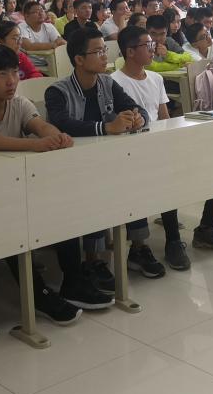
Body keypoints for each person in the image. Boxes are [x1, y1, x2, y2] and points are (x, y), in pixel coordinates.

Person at [0, 44, 112, 317]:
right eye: (2, 74)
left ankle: (72, 282)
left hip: (16, 186)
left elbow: (41, 126)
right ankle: (38, 294)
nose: (11, 81)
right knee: (12, 220)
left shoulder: (20, 102)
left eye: (15, 72)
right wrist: (34, 145)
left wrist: (56, 136)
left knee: (63, 205)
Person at [45, 26, 149, 291]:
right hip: (70, 168)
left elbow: (134, 107)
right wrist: (106, 127)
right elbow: (62, 124)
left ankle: (138, 248)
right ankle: (93, 260)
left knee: (137, 179)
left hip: (107, 161)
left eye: (105, 50)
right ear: (79, 59)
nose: (105, 56)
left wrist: (137, 117)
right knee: (95, 190)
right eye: (98, 51)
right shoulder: (57, 91)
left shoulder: (107, 83)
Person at [110, 25, 190, 273]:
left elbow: (164, 117)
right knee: (152, 176)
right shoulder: (115, 82)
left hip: (157, 143)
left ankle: (174, 240)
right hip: (131, 148)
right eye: (147, 45)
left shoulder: (156, 78)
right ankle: (145, 244)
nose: (153, 49)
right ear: (130, 51)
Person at [18, 1, 64, 68]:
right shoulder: (21, 27)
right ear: (26, 15)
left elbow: (61, 42)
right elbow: (28, 46)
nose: (41, 14)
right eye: (36, 12)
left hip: (51, 62)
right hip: (31, 65)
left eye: (42, 11)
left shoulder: (49, 26)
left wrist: (58, 43)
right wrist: (53, 45)